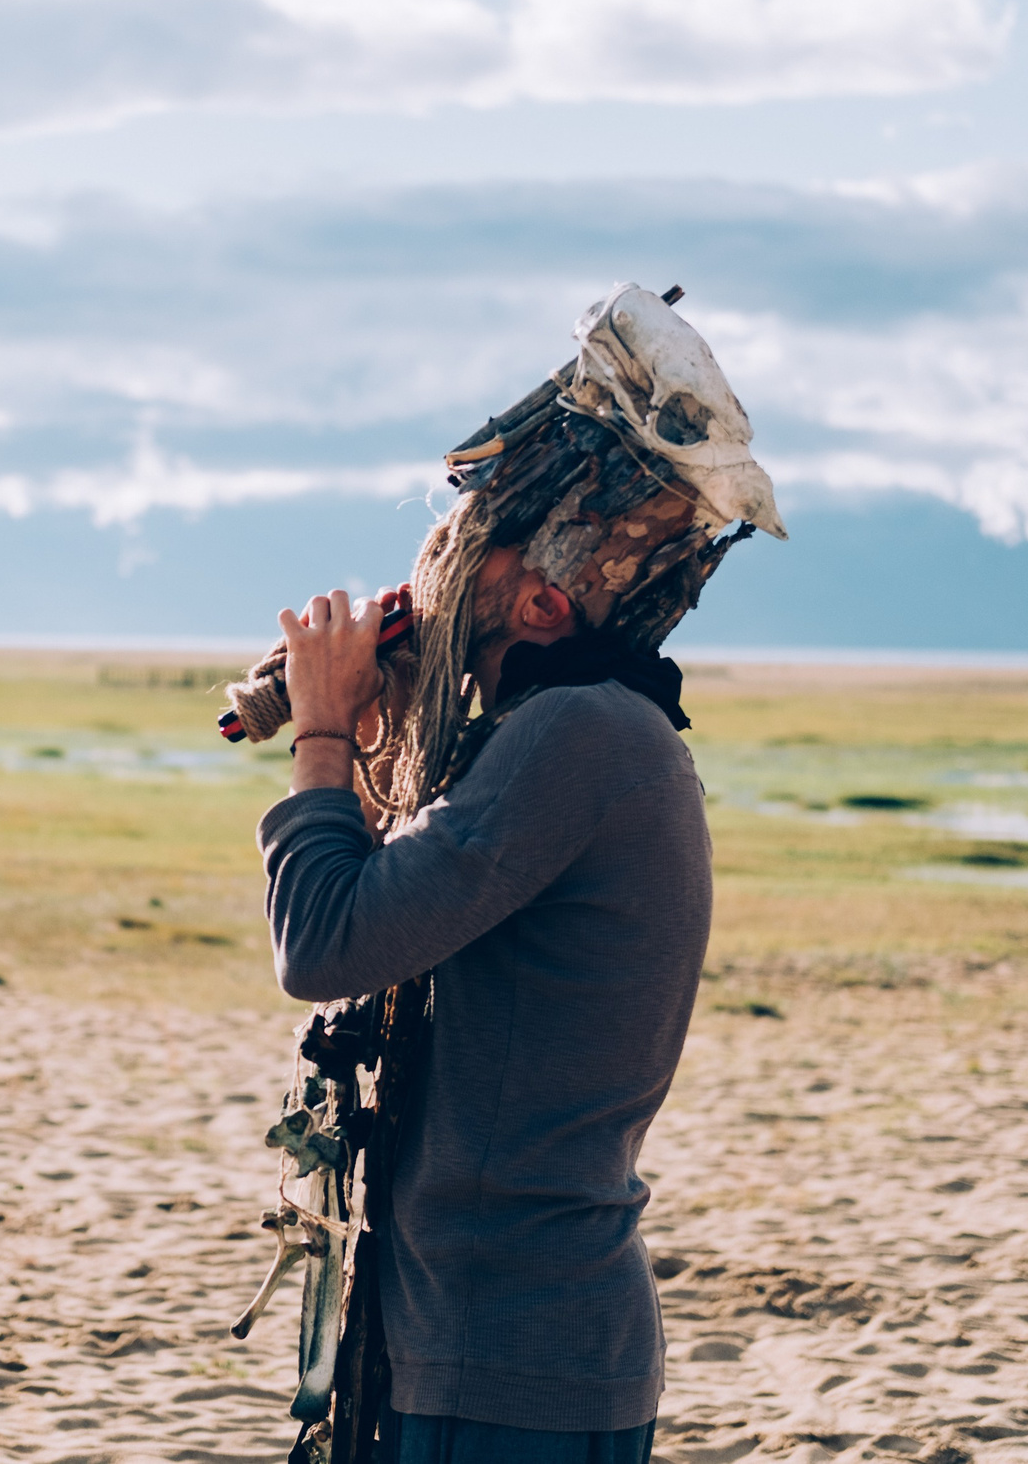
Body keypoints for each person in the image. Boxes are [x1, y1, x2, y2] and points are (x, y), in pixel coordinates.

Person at [255, 546, 716, 1464]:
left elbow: (322, 940)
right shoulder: (578, 729)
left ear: (543, 604)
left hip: (507, 1346)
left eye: (469, 550)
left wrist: (323, 735)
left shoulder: (575, 733)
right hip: (500, 1337)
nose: (431, 577)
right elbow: (401, 906)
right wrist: (382, 724)